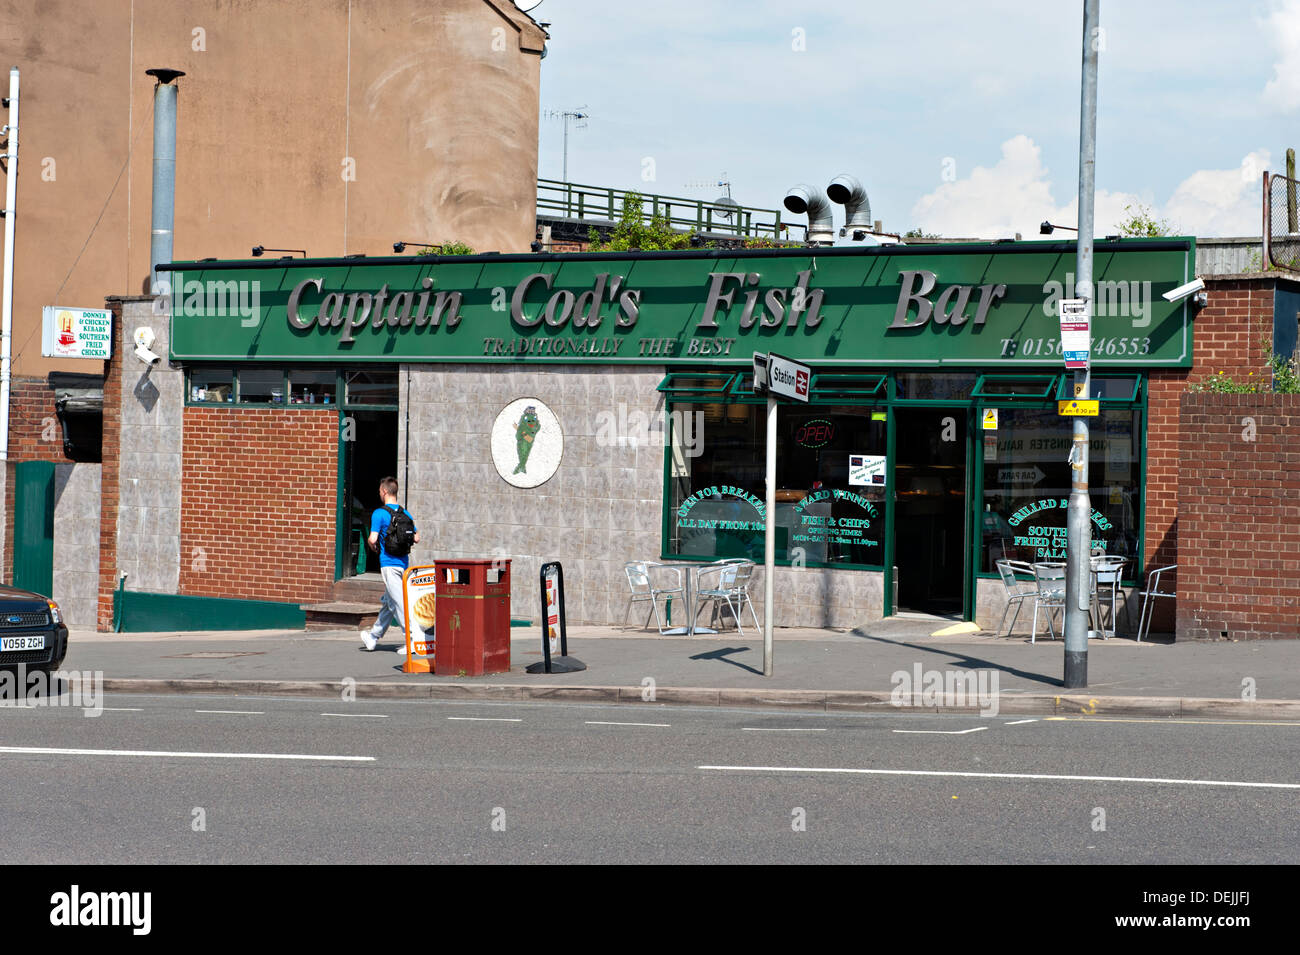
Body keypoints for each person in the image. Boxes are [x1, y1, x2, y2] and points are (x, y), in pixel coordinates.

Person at [360, 477, 420, 652]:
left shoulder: (379, 513)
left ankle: (412, 642)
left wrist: (374, 548)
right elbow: (416, 537)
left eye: (380, 491)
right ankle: (373, 636)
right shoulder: (405, 513)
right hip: (404, 565)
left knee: (398, 603)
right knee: (389, 602)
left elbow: (372, 539)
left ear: (385, 491)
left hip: (388, 564)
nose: (379, 493)